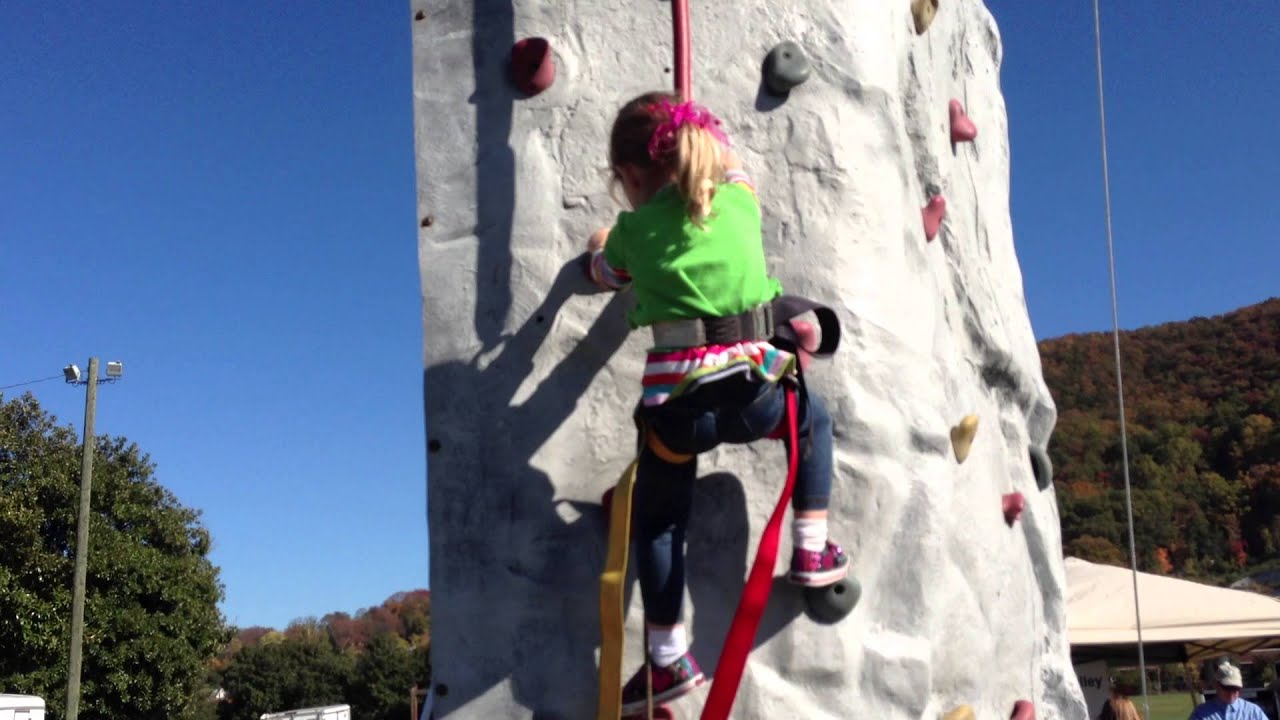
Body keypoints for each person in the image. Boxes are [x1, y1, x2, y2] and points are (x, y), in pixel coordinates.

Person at [587, 91, 847, 713]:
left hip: (677, 408)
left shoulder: (632, 231)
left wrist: (599, 252)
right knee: (813, 425)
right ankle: (811, 548)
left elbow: (605, 274)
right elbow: (730, 169)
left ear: (628, 175)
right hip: (756, 390)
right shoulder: (739, 202)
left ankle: (667, 659)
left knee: (661, 519)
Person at [1189, 661, 1267, 720]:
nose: (1231, 693)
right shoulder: (1201, 713)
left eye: (1235, 688)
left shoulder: (1253, 711)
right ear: (1217, 685)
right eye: (1227, 688)